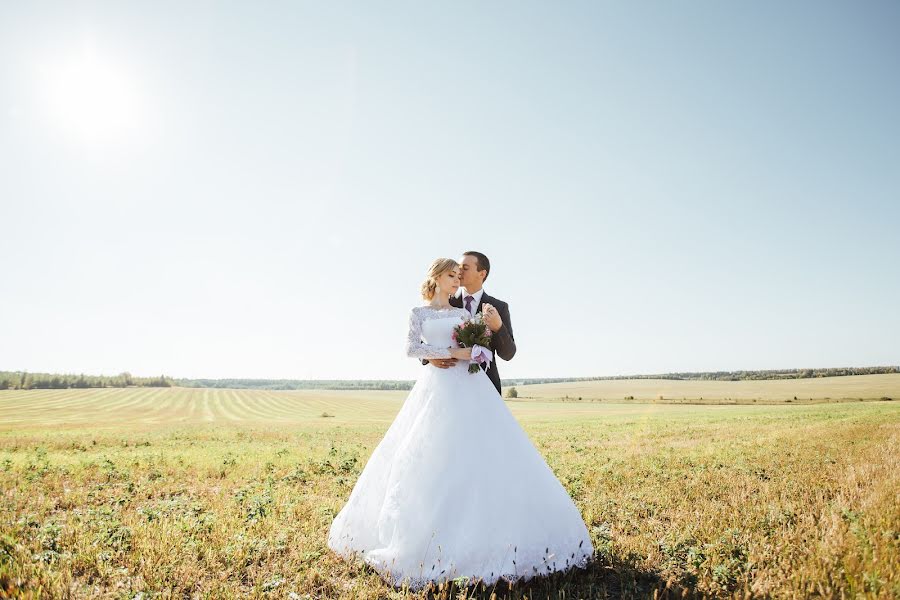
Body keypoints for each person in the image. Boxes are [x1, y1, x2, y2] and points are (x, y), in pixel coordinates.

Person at [326, 257, 593, 591]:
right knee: (430, 453)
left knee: (487, 457)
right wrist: (434, 356)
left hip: (475, 387)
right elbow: (414, 347)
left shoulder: (482, 310)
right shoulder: (428, 310)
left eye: (462, 272)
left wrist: (486, 333)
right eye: (453, 274)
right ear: (438, 277)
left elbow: (492, 351)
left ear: (480, 273)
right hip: (436, 387)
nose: (458, 278)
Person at [423, 251, 515, 395]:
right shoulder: (444, 303)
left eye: (465, 268)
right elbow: (422, 338)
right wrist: (429, 356)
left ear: (482, 274)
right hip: (448, 385)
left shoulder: (499, 307)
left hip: (486, 387)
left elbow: (508, 354)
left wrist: (498, 327)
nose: (459, 272)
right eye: (458, 267)